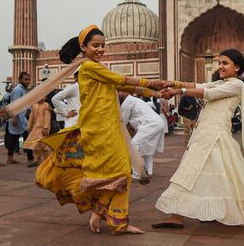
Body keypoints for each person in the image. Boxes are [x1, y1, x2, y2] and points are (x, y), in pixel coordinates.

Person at [34, 25, 164, 235]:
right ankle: (115, 221)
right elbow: (123, 80)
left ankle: (102, 213)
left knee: (115, 175)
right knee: (122, 173)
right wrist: (155, 83)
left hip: (105, 130)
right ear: (83, 47)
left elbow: (124, 87)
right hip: (100, 132)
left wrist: (157, 93)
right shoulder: (89, 67)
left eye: (103, 45)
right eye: (96, 45)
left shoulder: (94, 68)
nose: (101, 49)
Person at [152, 49, 244, 229]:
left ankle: (177, 215)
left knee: (194, 172)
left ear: (237, 67)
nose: (220, 66)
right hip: (205, 134)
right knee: (209, 175)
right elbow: (200, 84)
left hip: (215, 135)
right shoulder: (221, 82)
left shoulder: (236, 85)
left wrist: (179, 91)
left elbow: (208, 93)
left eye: (225, 63)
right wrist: (173, 83)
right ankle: (182, 214)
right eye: (220, 63)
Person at [118, 92, 165, 180]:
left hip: (152, 124)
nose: (116, 95)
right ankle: (149, 171)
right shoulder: (134, 100)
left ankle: (137, 174)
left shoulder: (127, 103)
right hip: (157, 123)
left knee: (133, 144)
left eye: (118, 92)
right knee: (147, 148)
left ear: (124, 92)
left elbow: (122, 122)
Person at [7, 71, 35, 166]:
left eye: (28, 80)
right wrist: (14, 118)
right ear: (20, 80)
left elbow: (24, 104)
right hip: (18, 118)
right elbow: (15, 104)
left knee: (14, 138)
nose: (27, 81)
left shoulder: (22, 90)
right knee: (27, 138)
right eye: (25, 79)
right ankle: (30, 159)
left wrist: (31, 111)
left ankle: (10, 158)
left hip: (21, 118)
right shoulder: (18, 90)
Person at [24, 94, 52, 166]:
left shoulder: (46, 105)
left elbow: (47, 117)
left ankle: (47, 160)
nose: (40, 98)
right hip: (35, 128)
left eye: (42, 96)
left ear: (45, 97)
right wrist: (29, 127)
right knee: (35, 144)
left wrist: (45, 128)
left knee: (44, 144)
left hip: (43, 128)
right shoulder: (34, 106)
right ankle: (36, 160)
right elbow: (31, 117)